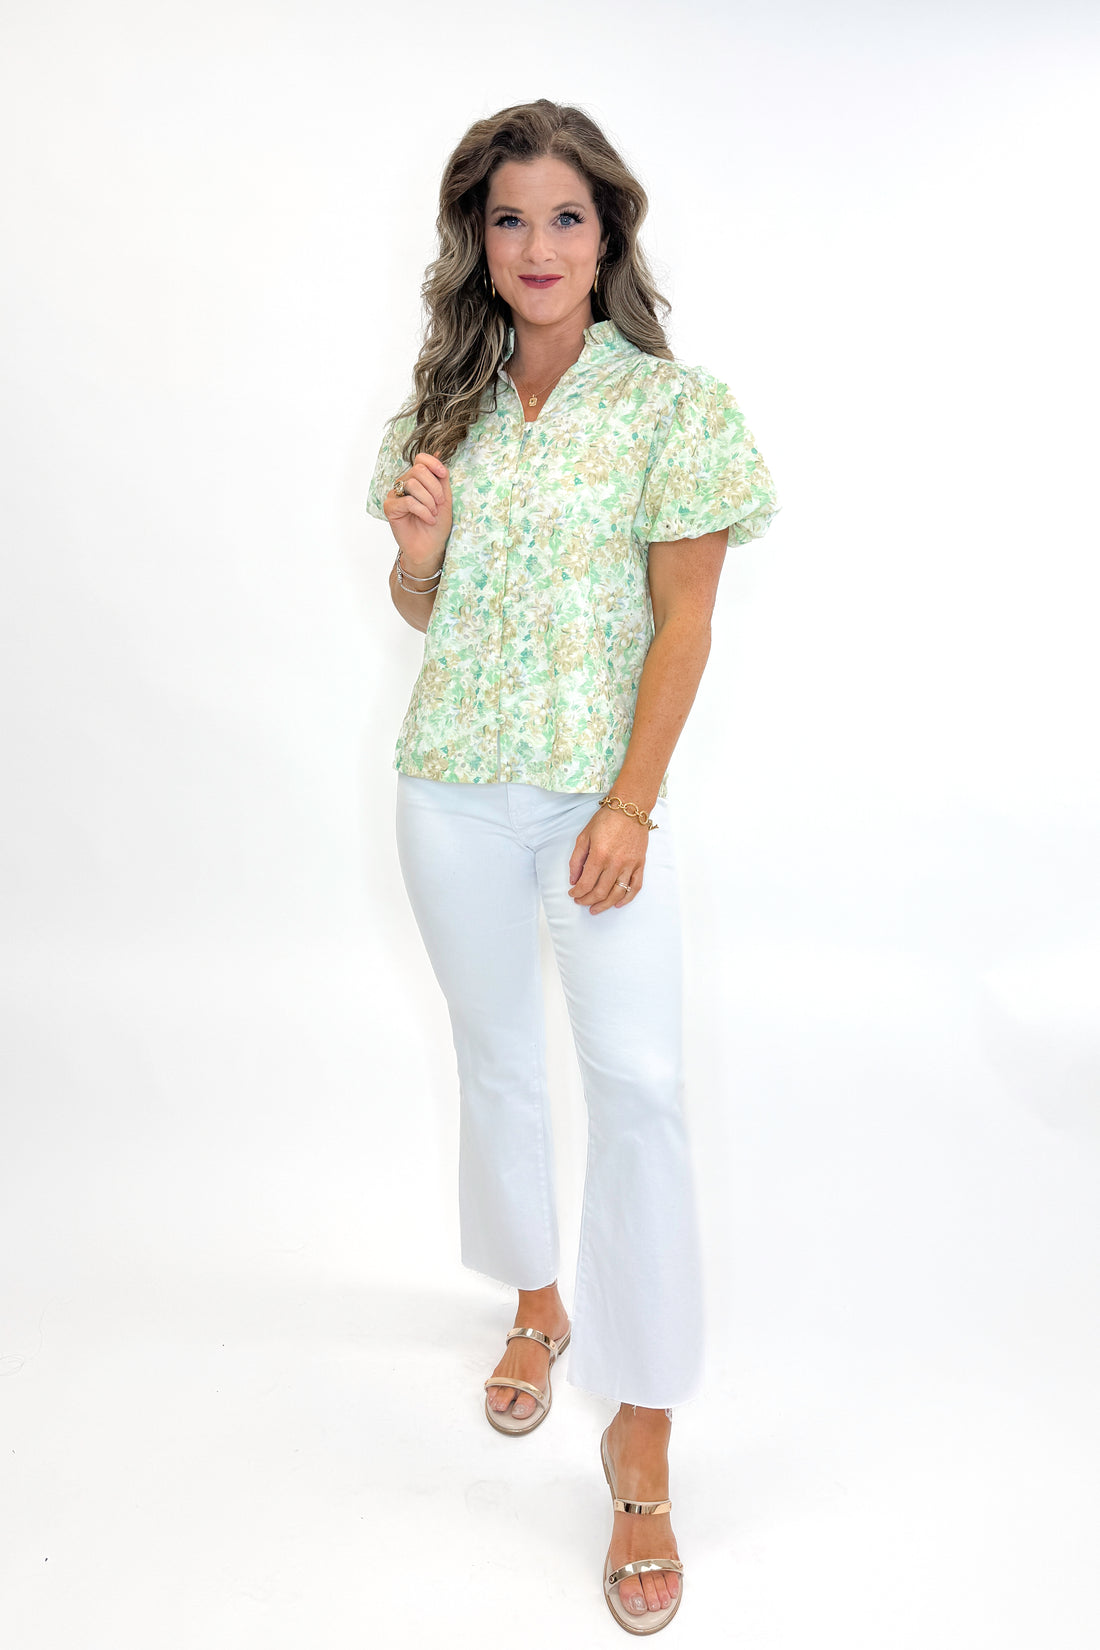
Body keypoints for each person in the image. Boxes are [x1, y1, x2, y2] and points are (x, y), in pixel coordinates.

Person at [366, 98, 780, 1634]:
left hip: (597, 805)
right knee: (495, 1058)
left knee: (643, 1089)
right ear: (477, 241)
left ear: (607, 237)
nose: (536, 245)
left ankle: (643, 1432)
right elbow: (428, 607)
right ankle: (537, 1300)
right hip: (450, 788)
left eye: (565, 216)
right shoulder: (444, 406)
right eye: (509, 218)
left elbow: (687, 623)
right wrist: (419, 555)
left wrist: (631, 805)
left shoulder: (674, 409)